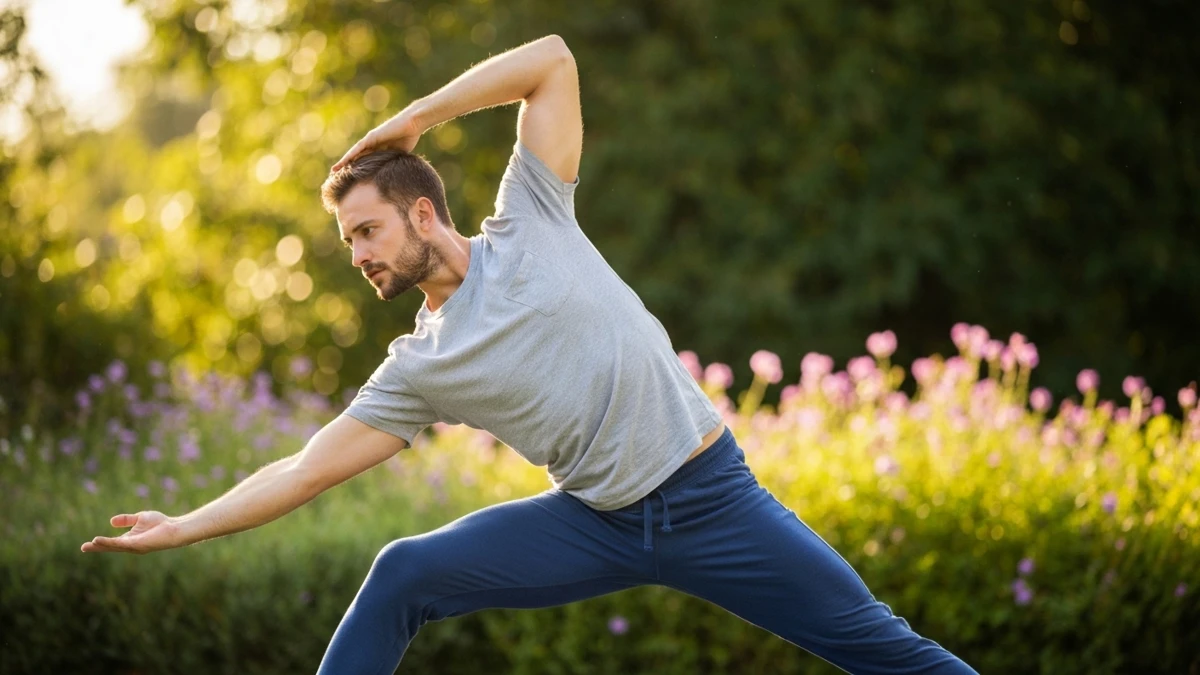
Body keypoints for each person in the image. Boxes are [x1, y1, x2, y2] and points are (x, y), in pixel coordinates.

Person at [82, 35, 977, 674]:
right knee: (403, 571)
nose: (357, 255)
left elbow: (552, 59)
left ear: (422, 212)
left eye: (367, 230)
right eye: (348, 240)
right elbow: (305, 468)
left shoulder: (532, 217)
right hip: (593, 523)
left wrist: (419, 116)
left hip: (713, 500)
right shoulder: (420, 364)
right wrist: (186, 523)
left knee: (886, 648)